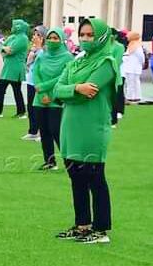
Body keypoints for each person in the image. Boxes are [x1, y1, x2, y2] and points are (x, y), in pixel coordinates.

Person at [52, 18, 121, 244]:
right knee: (76, 177)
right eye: (82, 34)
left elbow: (86, 94)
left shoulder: (107, 63)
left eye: (90, 35)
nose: (85, 39)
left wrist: (70, 91)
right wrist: (75, 88)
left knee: (94, 177)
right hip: (70, 127)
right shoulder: (76, 62)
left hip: (92, 128)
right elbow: (56, 90)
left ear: (101, 36)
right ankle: (82, 225)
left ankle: (101, 229)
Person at [32, 28, 74, 171]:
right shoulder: (42, 56)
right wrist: (41, 92)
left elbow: (64, 76)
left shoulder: (68, 57)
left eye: (56, 38)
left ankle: (70, 161)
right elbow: (36, 72)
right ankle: (49, 161)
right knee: (44, 131)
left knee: (56, 130)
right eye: (50, 38)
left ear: (62, 40)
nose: (52, 41)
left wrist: (43, 87)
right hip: (40, 99)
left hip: (56, 99)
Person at [0, 20, 28, 118]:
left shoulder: (23, 38)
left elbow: (11, 51)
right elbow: (2, 48)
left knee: (16, 90)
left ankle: (21, 112)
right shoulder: (12, 37)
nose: (12, 27)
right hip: (7, 67)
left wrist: (4, 49)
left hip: (16, 68)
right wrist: (4, 48)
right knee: (1, 89)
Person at [22, 25, 47, 140]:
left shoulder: (44, 51)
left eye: (38, 35)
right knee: (31, 108)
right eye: (34, 34)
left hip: (40, 83)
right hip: (30, 81)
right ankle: (32, 131)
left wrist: (37, 50)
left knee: (39, 108)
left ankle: (43, 133)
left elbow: (42, 63)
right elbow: (28, 64)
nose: (34, 37)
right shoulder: (33, 49)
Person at [122, 31, 145, 103]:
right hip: (131, 67)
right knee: (132, 82)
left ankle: (133, 97)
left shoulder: (136, 46)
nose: (127, 37)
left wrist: (142, 63)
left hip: (133, 67)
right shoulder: (132, 45)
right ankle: (134, 96)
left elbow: (141, 57)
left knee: (132, 82)